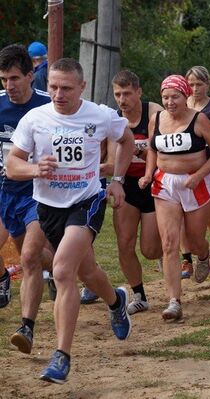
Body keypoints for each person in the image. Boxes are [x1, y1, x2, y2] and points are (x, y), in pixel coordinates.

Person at [6, 58, 134, 384]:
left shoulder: (100, 115)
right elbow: (12, 165)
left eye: (65, 88)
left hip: (85, 202)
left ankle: (61, 357)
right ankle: (116, 300)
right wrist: (37, 169)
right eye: (53, 87)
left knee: (62, 269)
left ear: (81, 87)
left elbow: (126, 139)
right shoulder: (35, 118)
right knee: (87, 272)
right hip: (48, 207)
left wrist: (117, 178)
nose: (58, 94)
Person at [139, 75, 210, 321]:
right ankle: (174, 301)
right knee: (169, 244)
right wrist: (148, 174)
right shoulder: (157, 119)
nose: (169, 102)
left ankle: (205, 254)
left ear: (185, 96)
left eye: (174, 96)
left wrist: (198, 175)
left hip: (194, 183)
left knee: (195, 239)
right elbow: (153, 148)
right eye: (165, 97)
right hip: (165, 184)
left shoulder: (199, 120)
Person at [0, 44, 54, 355]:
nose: (9, 85)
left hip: (38, 193)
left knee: (31, 257)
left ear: (31, 76)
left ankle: (26, 328)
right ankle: (62, 269)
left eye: (15, 78)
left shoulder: (49, 105)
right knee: (36, 257)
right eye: (4, 79)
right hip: (4, 192)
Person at [111, 70, 163, 314]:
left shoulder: (155, 113)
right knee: (124, 243)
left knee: (150, 250)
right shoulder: (111, 120)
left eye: (127, 94)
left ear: (138, 93)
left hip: (152, 184)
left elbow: (164, 154)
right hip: (127, 186)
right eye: (118, 94)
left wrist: (138, 151)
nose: (122, 100)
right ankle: (139, 294)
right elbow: (109, 160)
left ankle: (170, 250)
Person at [183, 66, 210, 277]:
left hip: (209, 166)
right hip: (183, 166)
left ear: (207, 84)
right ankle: (186, 259)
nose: (195, 88)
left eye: (199, 84)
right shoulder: (181, 104)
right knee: (181, 213)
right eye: (191, 84)